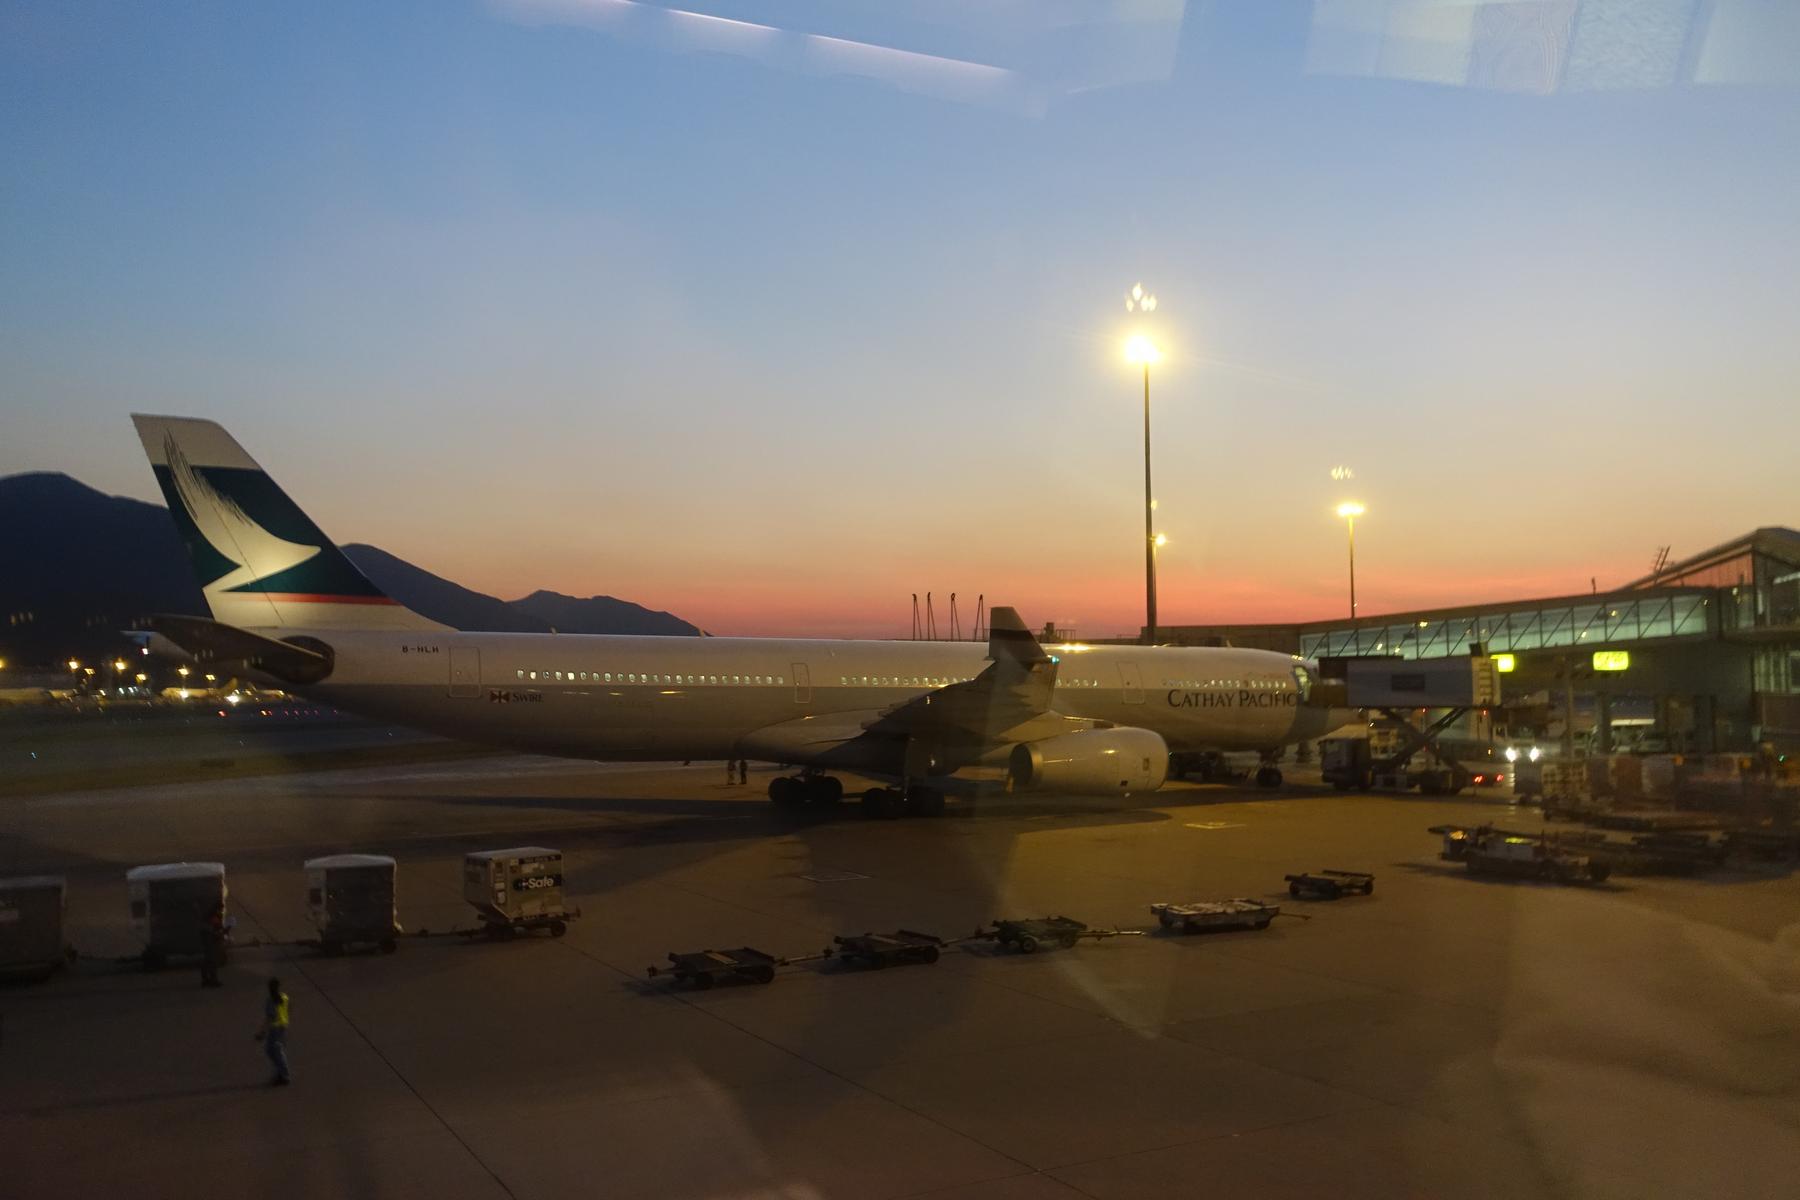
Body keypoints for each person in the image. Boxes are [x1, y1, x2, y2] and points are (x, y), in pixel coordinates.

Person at [255, 977, 291, 1086]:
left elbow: (269, 1017)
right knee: (275, 1050)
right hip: (283, 1026)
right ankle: (281, 1072)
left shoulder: (270, 1000)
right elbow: (287, 1010)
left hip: (274, 1028)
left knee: (273, 1051)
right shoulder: (284, 997)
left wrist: (261, 1032)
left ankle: (283, 1074)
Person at [198, 903, 225, 988]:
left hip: (210, 941)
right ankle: (212, 980)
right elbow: (210, 930)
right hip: (210, 942)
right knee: (211, 961)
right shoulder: (211, 917)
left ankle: (207, 980)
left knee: (208, 961)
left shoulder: (213, 915)